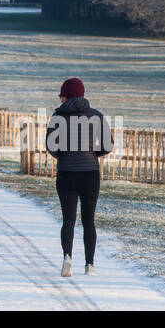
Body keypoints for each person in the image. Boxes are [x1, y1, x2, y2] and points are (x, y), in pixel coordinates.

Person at [46, 77, 111, 277]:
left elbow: (50, 146)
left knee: (68, 220)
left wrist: (63, 156)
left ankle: (67, 257)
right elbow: (107, 145)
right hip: (89, 173)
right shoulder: (96, 115)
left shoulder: (57, 116)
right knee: (89, 220)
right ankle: (89, 264)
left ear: (66, 95)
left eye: (62, 95)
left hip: (66, 173)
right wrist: (93, 154)